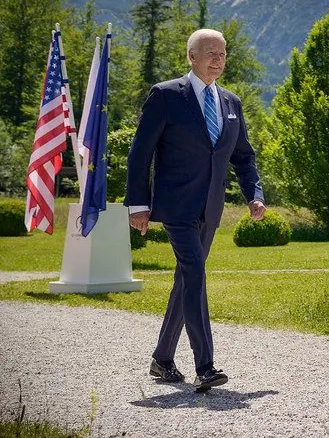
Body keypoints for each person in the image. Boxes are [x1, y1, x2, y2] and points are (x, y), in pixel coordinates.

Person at [126, 28, 266, 392]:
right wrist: (139, 204)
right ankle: (205, 366)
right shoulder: (166, 95)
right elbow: (140, 154)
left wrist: (255, 194)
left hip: (211, 209)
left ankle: (162, 359)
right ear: (192, 56)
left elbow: (243, 156)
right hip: (176, 207)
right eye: (210, 53)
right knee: (196, 273)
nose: (218, 59)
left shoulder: (232, 103)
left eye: (222, 53)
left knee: (186, 279)